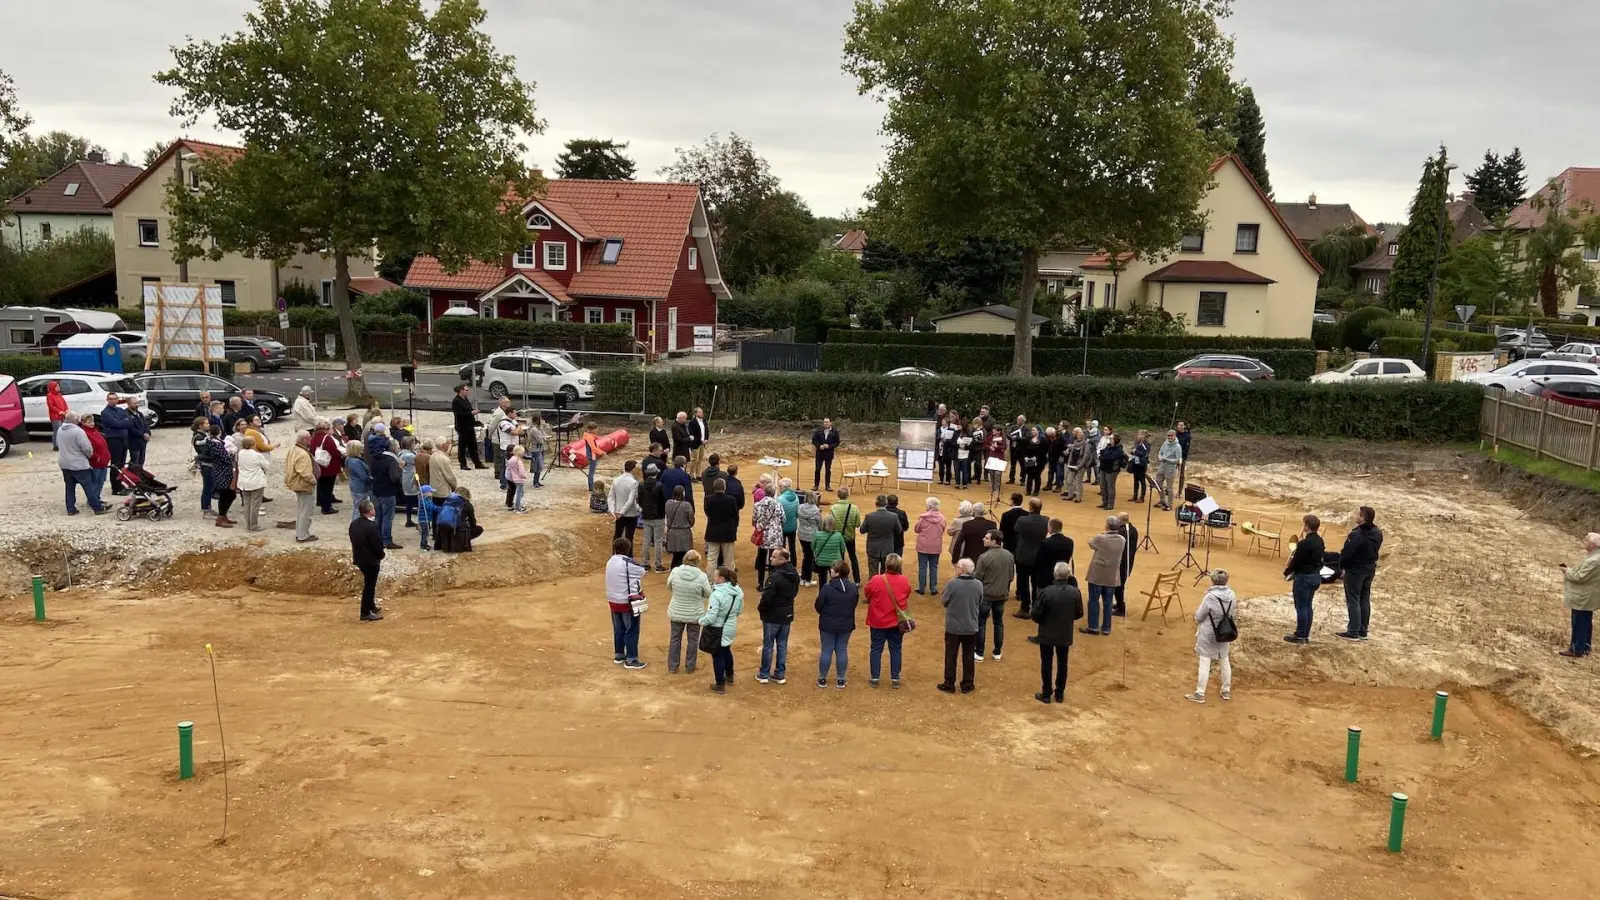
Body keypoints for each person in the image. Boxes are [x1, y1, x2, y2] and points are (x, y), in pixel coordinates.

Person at [1032, 565, 1084, 703]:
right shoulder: (1075, 592)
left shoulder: (1047, 592)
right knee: (1063, 663)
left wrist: (1043, 621)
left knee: (1047, 662)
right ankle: (1059, 693)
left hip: (1047, 632)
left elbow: (1036, 613)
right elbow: (1079, 613)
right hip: (1064, 633)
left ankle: (1046, 693)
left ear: (1054, 574)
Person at [1186, 570, 1237, 703]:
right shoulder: (1232, 594)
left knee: (1205, 661)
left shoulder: (1210, 596)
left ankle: (1200, 693)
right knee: (1224, 660)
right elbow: (1232, 612)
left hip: (1208, 632)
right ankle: (1226, 690)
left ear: (1213, 580)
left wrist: (1198, 621)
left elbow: (1199, 616)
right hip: (1224, 631)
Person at [864, 553, 912, 687]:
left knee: (876, 649)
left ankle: (875, 678)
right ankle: (895, 678)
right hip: (897, 622)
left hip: (878, 621)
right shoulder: (904, 580)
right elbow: (907, 593)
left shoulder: (876, 579)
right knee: (896, 649)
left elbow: (867, 593)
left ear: (886, 565)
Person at [1337, 506, 1383, 642]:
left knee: (1353, 599)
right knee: (1364, 598)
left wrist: (1342, 567)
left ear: (1362, 518)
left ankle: (1353, 631)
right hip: (1369, 569)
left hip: (1355, 570)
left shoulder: (1356, 534)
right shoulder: (1377, 532)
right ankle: (1363, 630)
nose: (1355, 516)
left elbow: (1347, 553)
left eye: (1357, 514)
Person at [939, 558, 983, 694]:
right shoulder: (979, 584)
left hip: (954, 627)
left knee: (951, 655)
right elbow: (979, 601)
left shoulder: (953, 584)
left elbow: (944, 601)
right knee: (969, 655)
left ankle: (949, 683)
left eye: (957, 567)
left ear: (962, 570)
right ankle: (968, 683)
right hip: (971, 626)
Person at [604, 538, 649, 669]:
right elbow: (642, 571)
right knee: (632, 629)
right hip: (626, 602)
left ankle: (619, 654)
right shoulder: (627, 563)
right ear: (628, 549)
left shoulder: (610, 561)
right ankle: (631, 659)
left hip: (612, 600)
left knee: (618, 629)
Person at [757, 547, 799, 684]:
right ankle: (780, 674)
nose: (770, 558)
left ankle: (764, 674)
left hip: (772, 615)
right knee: (782, 645)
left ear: (782, 560)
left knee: (768, 645)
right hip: (787, 614)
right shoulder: (794, 574)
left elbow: (767, 598)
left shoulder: (775, 577)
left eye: (774, 557)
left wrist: (761, 610)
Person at [815, 559, 860, 688]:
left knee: (827, 650)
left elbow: (818, 606)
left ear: (837, 573)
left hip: (827, 624)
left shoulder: (827, 588)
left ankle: (822, 678)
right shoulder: (852, 587)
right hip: (846, 624)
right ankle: (841, 679)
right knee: (842, 649)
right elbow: (854, 604)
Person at [972, 529, 1015, 661]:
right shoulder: (1009, 555)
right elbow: (1011, 576)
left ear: (994, 541)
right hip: (1002, 594)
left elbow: (977, 577)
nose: (983, 539)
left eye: (986, 538)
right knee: (998, 623)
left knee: (981, 623)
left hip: (986, 594)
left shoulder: (984, 557)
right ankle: (997, 652)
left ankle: (979, 652)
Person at [1029, 521, 1075, 643]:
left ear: (1050, 529)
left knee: (1043, 607)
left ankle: (1042, 635)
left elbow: (1037, 560)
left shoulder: (1045, 543)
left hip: (1045, 578)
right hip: (1062, 576)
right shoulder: (1069, 541)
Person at [667, 549, 711, 674]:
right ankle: (690, 666)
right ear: (697, 561)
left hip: (677, 610)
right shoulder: (701, 576)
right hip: (694, 613)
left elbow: (669, 586)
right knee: (693, 640)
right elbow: (708, 593)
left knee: (675, 638)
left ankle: (672, 666)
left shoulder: (675, 572)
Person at [701, 567, 745, 693]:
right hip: (730, 626)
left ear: (721, 579)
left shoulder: (717, 594)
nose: (713, 578)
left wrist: (701, 621)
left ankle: (720, 684)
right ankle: (729, 676)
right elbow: (740, 610)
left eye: (715, 576)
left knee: (717, 655)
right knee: (726, 650)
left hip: (718, 628)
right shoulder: (738, 591)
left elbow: (711, 616)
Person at [1284, 514, 1326, 643]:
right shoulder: (1320, 541)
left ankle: (1301, 634)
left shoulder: (1304, 543)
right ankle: (1305, 633)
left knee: (1301, 606)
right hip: (1315, 576)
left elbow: (1296, 560)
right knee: (1307, 605)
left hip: (1304, 578)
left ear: (1306, 526)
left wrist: (1287, 571)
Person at [57, 412, 107, 515]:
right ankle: (97, 507)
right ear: (76, 420)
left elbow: (58, 444)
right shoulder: (78, 431)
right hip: (78, 464)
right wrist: (93, 457)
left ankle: (70, 509)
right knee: (88, 487)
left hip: (64, 463)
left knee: (69, 487)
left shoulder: (60, 430)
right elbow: (86, 448)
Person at [1558, 533, 1600, 658]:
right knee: (1586, 621)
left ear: (1592, 544)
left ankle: (1576, 649)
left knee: (1579, 622)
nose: (1584, 541)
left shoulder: (1594, 560)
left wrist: (1566, 571)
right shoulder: (1594, 557)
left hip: (1584, 595)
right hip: (1588, 595)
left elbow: (1578, 577)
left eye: (1586, 539)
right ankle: (1585, 647)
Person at [1083, 516, 1126, 636]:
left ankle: (1093, 627)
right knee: (1108, 603)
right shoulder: (1122, 539)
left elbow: (1090, 543)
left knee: (1093, 601)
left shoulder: (1100, 537)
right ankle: (1106, 628)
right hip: (1112, 575)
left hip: (1097, 574)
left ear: (1107, 526)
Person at [343, 499, 384, 622]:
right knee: (369, 586)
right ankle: (365, 612)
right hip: (370, 560)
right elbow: (377, 545)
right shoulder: (372, 527)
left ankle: (371, 606)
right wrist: (381, 555)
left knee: (369, 584)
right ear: (370, 511)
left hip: (359, 558)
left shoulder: (354, 524)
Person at [1013, 498, 1049, 617]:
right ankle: (1035, 606)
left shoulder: (1022, 520)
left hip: (1023, 555)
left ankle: (1024, 608)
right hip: (1038, 556)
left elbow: (1016, 530)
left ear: (1030, 508)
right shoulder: (1046, 520)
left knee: (1023, 583)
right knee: (1035, 583)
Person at [371, 438, 404, 550]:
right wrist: (401, 470)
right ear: (393, 448)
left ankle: (377, 538)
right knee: (387, 517)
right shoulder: (391, 461)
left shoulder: (375, 458)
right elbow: (394, 478)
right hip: (388, 492)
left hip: (376, 491)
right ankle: (387, 540)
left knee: (378, 516)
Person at [286, 430, 318, 543]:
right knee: (306, 511)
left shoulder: (294, 449)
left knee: (301, 510)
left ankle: (299, 533)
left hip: (297, 484)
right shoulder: (302, 453)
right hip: (304, 485)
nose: (311, 439)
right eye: (309, 437)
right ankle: (303, 535)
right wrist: (313, 481)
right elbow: (305, 473)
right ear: (303, 439)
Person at [860, 494, 904, 576]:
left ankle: (874, 588)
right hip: (887, 548)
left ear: (876, 504)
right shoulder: (893, 516)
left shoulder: (869, 516)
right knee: (886, 574)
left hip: (873, 549)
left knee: (873, 573)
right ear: (886, 504)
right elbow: (899, 531)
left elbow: (862, 530)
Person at [702, 477, 738, 575]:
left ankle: (710, 581)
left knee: (712, 559)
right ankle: (731, 582)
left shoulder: (708, 499)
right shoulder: (731, 500)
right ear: (724, 488)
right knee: (729, 560)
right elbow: (735, 515)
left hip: (713, 532)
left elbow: (707, 513)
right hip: (727, 532)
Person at [97, 394, 133, 492]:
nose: (113, 401)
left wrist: (121, 422)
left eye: (114, 399)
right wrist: (122, 422)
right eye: (111, 399)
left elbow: (130, 421)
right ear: (107, 400)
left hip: (123, 439)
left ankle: (120, 484)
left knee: (121, 464)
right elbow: (115, 424)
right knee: (116, 464)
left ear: (117, 400)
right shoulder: (105, 412)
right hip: (113, 440)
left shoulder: (120, 410)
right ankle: (115, 487)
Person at [236, 435, 271, 532]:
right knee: (255, 505)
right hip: (256, 482)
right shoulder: (257, 455)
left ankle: (248, 524)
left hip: (243, 482)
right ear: (253, 444)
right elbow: (267, 466)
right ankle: (254, 525)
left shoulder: (240, 453)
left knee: (247, 504)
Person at [752, 488, 785, 589]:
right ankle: (772, 582)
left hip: (763, 536)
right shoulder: (778, 504)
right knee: (774, 559)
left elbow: (754, 520)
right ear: (774, 493)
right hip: (775, 536)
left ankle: (761, 583)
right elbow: (784, 519)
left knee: (761, 559)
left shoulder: (757, 505)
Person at [913, 497, 947, 596]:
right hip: (936, 545)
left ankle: (921, 588)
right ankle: (933, 588)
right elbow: (943, 529)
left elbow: (916, 529)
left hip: (923, 545)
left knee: (922, 567)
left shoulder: (923, 518)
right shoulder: (942, 518)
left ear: (929, 506)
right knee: (934, 567)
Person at [830, 487, 864, 582]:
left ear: (838, 495)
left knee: (839, 559)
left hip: (838, 537)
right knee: (853, 557)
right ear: (848, 495)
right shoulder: (854, 508)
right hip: (850, 536)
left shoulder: (833, 508)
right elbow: (857, 524)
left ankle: (840, 579)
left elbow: (831, 525)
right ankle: (857, 580)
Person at [638, 465, 668, 571]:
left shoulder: (641, 485)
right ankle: (658, 565)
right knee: (658, 541)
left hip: (646, 516)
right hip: (658, 516)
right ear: (656, 473)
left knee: (646, 540)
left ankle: (645, 563)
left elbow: (639, 500)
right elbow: (665, 500)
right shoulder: (660, 485)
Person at [312, 420, 344, 515]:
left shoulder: (313, 438)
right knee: (328, 487)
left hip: (319, 464)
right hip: (329, 466)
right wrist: (340, 455)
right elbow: (333, 451)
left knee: (321, 485)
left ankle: (321, 501)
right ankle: (326, 507)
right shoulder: (327, 438)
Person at [450, 384, 484, 470]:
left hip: (469, 425)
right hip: (462, 427)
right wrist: (471, 413)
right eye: (466, 390)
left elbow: (468, 410)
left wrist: (473, 415)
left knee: (473, 445)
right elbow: (459, 414)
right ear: (461, 390)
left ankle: (477, 463)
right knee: (463, 446)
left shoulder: (465, 399)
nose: (467, 392)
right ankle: (463, 464)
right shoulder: (456, 401)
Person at [609, 459, 641, 544]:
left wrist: (613, 511)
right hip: (630, 514)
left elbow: (611, 497)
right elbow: (630, 501)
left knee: (617, 535)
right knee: (629, 537)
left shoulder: (616, 480)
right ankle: (628, 556)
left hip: (618, 512)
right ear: (633, 469)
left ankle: (615, 555)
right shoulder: (634, 482)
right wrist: (622, 512)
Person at [664, 485, 696, 569]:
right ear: (683, 493)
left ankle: (674, 573)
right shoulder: (687, 505)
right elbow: (691, 520)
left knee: (676, 555)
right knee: (683, 556)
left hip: (672, 533)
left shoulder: (668, 503)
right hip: (684, 533)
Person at [1115, 511, 1140, 617]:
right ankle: (1119, 604)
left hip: (1122, 563)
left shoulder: (1121, 532)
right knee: (1120, 585)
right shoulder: (1133, 530)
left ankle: (1121, 608)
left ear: (1121, 521)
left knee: (1118, 586)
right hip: (1129, 561)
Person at [797, 491, 822, 586]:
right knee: (810, 557)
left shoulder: (800, 507)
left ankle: (803, 577)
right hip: (812, 536)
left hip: (802, 534)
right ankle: (807, 579)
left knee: (806, 556)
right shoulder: (816, 511)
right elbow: (820, 525)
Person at [1098, 434, 1128, 510]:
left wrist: (1103, 457)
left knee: (1110, 487)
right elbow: (1103, 454)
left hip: (1112, 470)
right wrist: (1103, 456)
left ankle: (1110, 504)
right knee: (1102, 486)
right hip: (1103, 468)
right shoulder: (1108, 446)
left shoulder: (1119, 449)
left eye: (1111, 439)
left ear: (1115, 440)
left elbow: (1110, 458)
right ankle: (1104, 502)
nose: (1110, 440)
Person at [344, 442, 372, 521]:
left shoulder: (350, 459)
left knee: (358, 507)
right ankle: (356, 526)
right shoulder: (355, 462)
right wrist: (372, 479)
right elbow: (363, 476)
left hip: (355, 485)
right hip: (360, 487)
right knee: (359, 509)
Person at [811, 417, 841, 491]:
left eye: (827, 422)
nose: (825, 423)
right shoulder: (819, 431)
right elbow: (814, 440)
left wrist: (829, 446)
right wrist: (819, 446)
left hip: (829, 454)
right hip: (819, 453)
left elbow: (837, 442)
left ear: (830, 423)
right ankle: (816, 485)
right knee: (817, 469)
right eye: (824, 422)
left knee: (828, 470)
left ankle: (827, 486)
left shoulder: (835, 431)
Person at [1156, 430, 1182, 511]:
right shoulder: (1165, 443)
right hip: (1162, 466)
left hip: (1170, 468)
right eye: (1168, 436)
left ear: (1174, 436)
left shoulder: (1178, 447)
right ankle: (1162, 500)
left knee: (1169, 488)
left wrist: (1167, 459)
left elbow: (1178, 460)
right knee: (1158, 483)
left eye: (1171, 436)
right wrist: (1160, 457)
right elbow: (1160, 452)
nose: (1170, 437)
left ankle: (1169, 504)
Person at [399, 437, 421, 527]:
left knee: (409, 502)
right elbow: (418, 460)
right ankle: (420, 521)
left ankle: (409, 520)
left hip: (407, 478)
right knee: (416, 500)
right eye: (413, 443)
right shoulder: (409, 456)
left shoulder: (401, 453)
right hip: (411, 478)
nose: (414, 444)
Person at [777, 478, 800, 560]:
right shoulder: (796, 497)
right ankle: (793, 565)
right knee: (792, 548)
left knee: (781, 549)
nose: (779, 488)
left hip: (782, 527)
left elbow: (778, 515)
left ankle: (781, 566)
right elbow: (798, 513)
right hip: (793, 526)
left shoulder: (779, 499)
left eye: (780, 486)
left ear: (784, 488)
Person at [983, 424, 1007, 503]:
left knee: (998, 474)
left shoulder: (1002, 438)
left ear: (999, 431)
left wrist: (996, 447)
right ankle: (993, 488)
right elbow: (985, 444)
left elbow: (1004, 447)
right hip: (992, 457)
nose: (993, 431)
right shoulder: (990, 436)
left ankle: (997, 489)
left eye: (995, 430)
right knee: (991, 473)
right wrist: (989, 447)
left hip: (999, 458)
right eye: (993, 429)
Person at [946, 500, 973, 566]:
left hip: (958, 548)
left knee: (958, 567)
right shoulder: (973, 520)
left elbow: (950, 532)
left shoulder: (957, 521)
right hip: (970, 547)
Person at [504, 445, 530, 514]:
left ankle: (517, 505)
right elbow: (521, 473)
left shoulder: (511, 460)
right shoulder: (519, 462)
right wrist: (525, 475)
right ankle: (518, 508)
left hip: (514, 479)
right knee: (519, 493)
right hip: (520, 479)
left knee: (519, 492)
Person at [580, 422, 605, 492]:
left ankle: (591, 486)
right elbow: (593, 448)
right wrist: (601, 453)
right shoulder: (589, 437)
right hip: (592, 455)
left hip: (591, 455)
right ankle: (591, 488)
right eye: (596, 429)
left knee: (591, 471)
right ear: (592, 429)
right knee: (591, 472)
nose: (597, 430)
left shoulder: (588, 435)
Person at [524, 414, 548, 489]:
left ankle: (537, 481)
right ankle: (535, 482)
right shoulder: (533, 429)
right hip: (535, 449)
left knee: (540, 466)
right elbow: (540, 440)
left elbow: (544, 435)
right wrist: (543, 438)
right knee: (537, 466)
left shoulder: (538, 428)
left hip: (540, 448)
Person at [1128, 430, 1151, 503]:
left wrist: (1135, 452)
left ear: (1144, 436)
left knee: (1142, 481)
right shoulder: (1137, 443)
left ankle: (1142, 497)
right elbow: (1133, 451)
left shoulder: (1146, 444)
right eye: (1138, 434)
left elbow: (1144, 454)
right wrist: (1132, 452)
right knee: (1136, 480)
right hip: (1136, 463)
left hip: (1142, 464)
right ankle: (1135, 495)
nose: (1138, 436)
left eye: (1140, 435)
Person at [937, 415, 960, 486]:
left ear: (947, 423)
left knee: (948, 466)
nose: (943, 423)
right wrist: (940, 438)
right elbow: (936, 438)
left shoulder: (951, 430)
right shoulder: (938, 430)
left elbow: (953, 440)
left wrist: (946, 440)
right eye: (942, 422)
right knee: (940, 466)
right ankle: (941, 479)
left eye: (944, 422)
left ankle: (947, 480)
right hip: (940, 450)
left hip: (947, 450)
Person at [46, 380, 68, 450]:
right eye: (57, 386)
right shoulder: (50, 395)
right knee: (57, 431)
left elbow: (64, 403)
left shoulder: (59, 394)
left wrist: (66, 409)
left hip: (62, 415)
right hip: (56, 416)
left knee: (63, 430)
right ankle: (56, 445)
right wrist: (59, 411)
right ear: (52, 387)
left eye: (58, 386)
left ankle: (62, 444)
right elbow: (51, 406)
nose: (58, 387)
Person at [1006, 415, 1028, 485]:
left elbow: (1027, 438)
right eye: (1017, 419)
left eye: (1019, 419)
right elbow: (1008, 434)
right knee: (1013, 465)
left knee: (1023, 465)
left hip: (1022, 450)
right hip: (1013, 449)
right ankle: (1011, 479)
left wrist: (1017, 438)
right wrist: (1010, 437)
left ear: (1023, 421)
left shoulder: (1026, 429)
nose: (1017, 421)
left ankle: (1022, 480)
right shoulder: (1013, 427)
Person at [417, 484, 437, 552]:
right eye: (430, 492)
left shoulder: (427, 499)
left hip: (427, 519)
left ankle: (425, 543)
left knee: (427, 532)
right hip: (423, 520)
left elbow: (431, 505)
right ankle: (423, 545)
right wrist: (437, 508)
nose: (432, 493)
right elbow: (429, 506)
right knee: (425, 532)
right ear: (426, 493)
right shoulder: (423, 500)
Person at [1175, 420, 1192, 489]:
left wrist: (1178, 454)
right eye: (1178, 425)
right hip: (1173, 457)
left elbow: (1186, 449)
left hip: (1182, 457)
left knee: (1181, 475)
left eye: (1181, 425)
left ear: (1184, 426)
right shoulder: (1175, 434)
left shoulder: (1187, 436)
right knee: (1170, 472)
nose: (1179, 426)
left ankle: (1180, 491)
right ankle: (1168, 489)